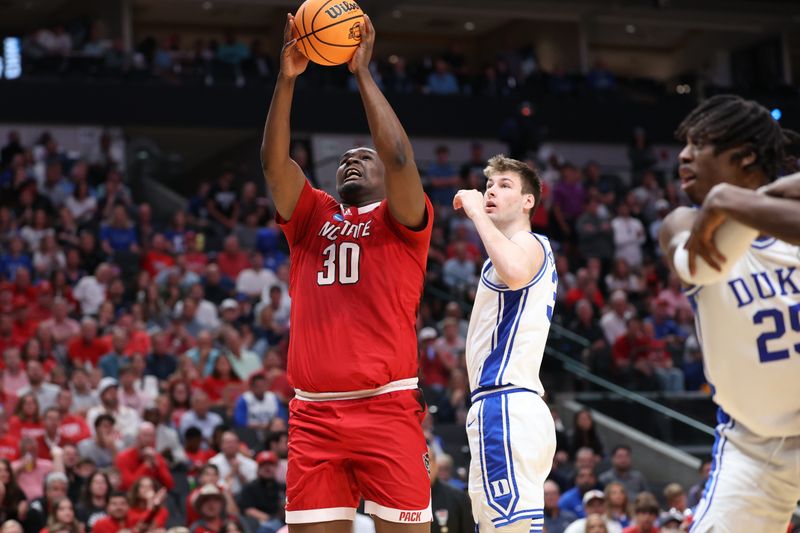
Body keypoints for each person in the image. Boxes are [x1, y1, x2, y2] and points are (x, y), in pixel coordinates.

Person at [261, 11, 432, 529]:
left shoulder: (402, 220)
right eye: (342, 160)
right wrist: (286, 79)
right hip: (313, 416)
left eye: (363, 157)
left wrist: (361, 72)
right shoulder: (312, 215)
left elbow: (400, 156)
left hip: (386, 408)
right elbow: (273, 164)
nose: (350, 162)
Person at [658, 94, 800, 532]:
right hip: (756, 446)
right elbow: (698, 264)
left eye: (699, 143)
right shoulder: (681, 222)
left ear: (746, 154)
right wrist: (727, 200)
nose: (684, 155)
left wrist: (730, 198)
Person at [453, 155, 556, 533]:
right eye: (489, 186)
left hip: (505, 404)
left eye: (504, 185)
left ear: (528, 201)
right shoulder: (515, 250)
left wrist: (477, 213)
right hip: (514, 404)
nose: (491, 191)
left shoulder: (528, 243)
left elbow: (514, 273)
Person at [428, 446, 473, 533]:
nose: (421, 466)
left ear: (436, 465)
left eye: (426, 460)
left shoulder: (458, 497)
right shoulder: (400, 499)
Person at [237, 451, 284, 533]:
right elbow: (247, 509)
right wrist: (268, 518)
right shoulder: (249, 488)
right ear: (258, 468)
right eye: (264, 465)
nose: (267, 468)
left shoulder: (282, 487)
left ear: (276, 467)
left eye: (271, 464)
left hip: (283, 523)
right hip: (259, 524)